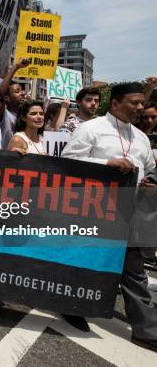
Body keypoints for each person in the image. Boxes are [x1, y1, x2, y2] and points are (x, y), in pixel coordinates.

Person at [62, 82, 157, 348]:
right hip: (94, 209)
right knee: (86, 261)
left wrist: (149, 182)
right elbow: (69, 161)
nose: (140, 107)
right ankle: (71, 305)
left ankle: (146, 330)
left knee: (134, 270)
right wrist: (106, 163)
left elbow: (149, 167)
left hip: (130, 211)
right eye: (134, 102)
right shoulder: (90, 129)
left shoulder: (140, 137)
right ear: (115, 104)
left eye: (142, 103)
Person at [0, 59, 28, 149]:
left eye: (22, 90)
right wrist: (16, 67)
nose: (22, 93)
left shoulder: (24, 117)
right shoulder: (4, 115)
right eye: (17, 91)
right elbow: (0, 94)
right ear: (7, 98)